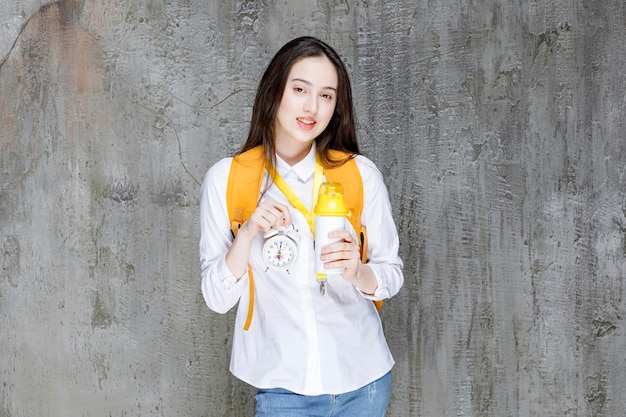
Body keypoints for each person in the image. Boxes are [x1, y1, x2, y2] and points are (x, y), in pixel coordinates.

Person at [199, 36, 403, 417]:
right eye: (300, 89)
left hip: (364, 381)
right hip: (282, 387)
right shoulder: (228, 181)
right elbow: (217, 298)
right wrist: (245, 236)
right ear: (274, 91)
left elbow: (391, 274)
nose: (312, 107)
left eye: (327, 96)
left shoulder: (359, 176)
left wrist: (359, 272)